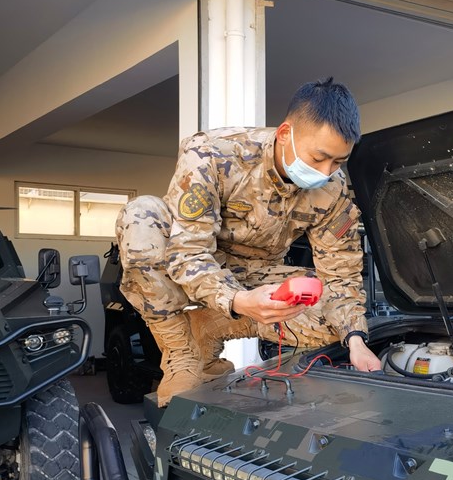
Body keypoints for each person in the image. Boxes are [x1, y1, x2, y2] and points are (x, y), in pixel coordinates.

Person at [116, 78, 382, 406]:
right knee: (141, 216)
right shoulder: (211, 152)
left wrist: (355, 339)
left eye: (338, 162)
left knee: (334, 322)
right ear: (285, 134)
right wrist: (238, 301)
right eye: (319, 158)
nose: (326, 171)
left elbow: (341, 274)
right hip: (195, 265)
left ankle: (209, 328)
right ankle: (181, 352)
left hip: (259, 274)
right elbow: (188, 251)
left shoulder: (332, 189)